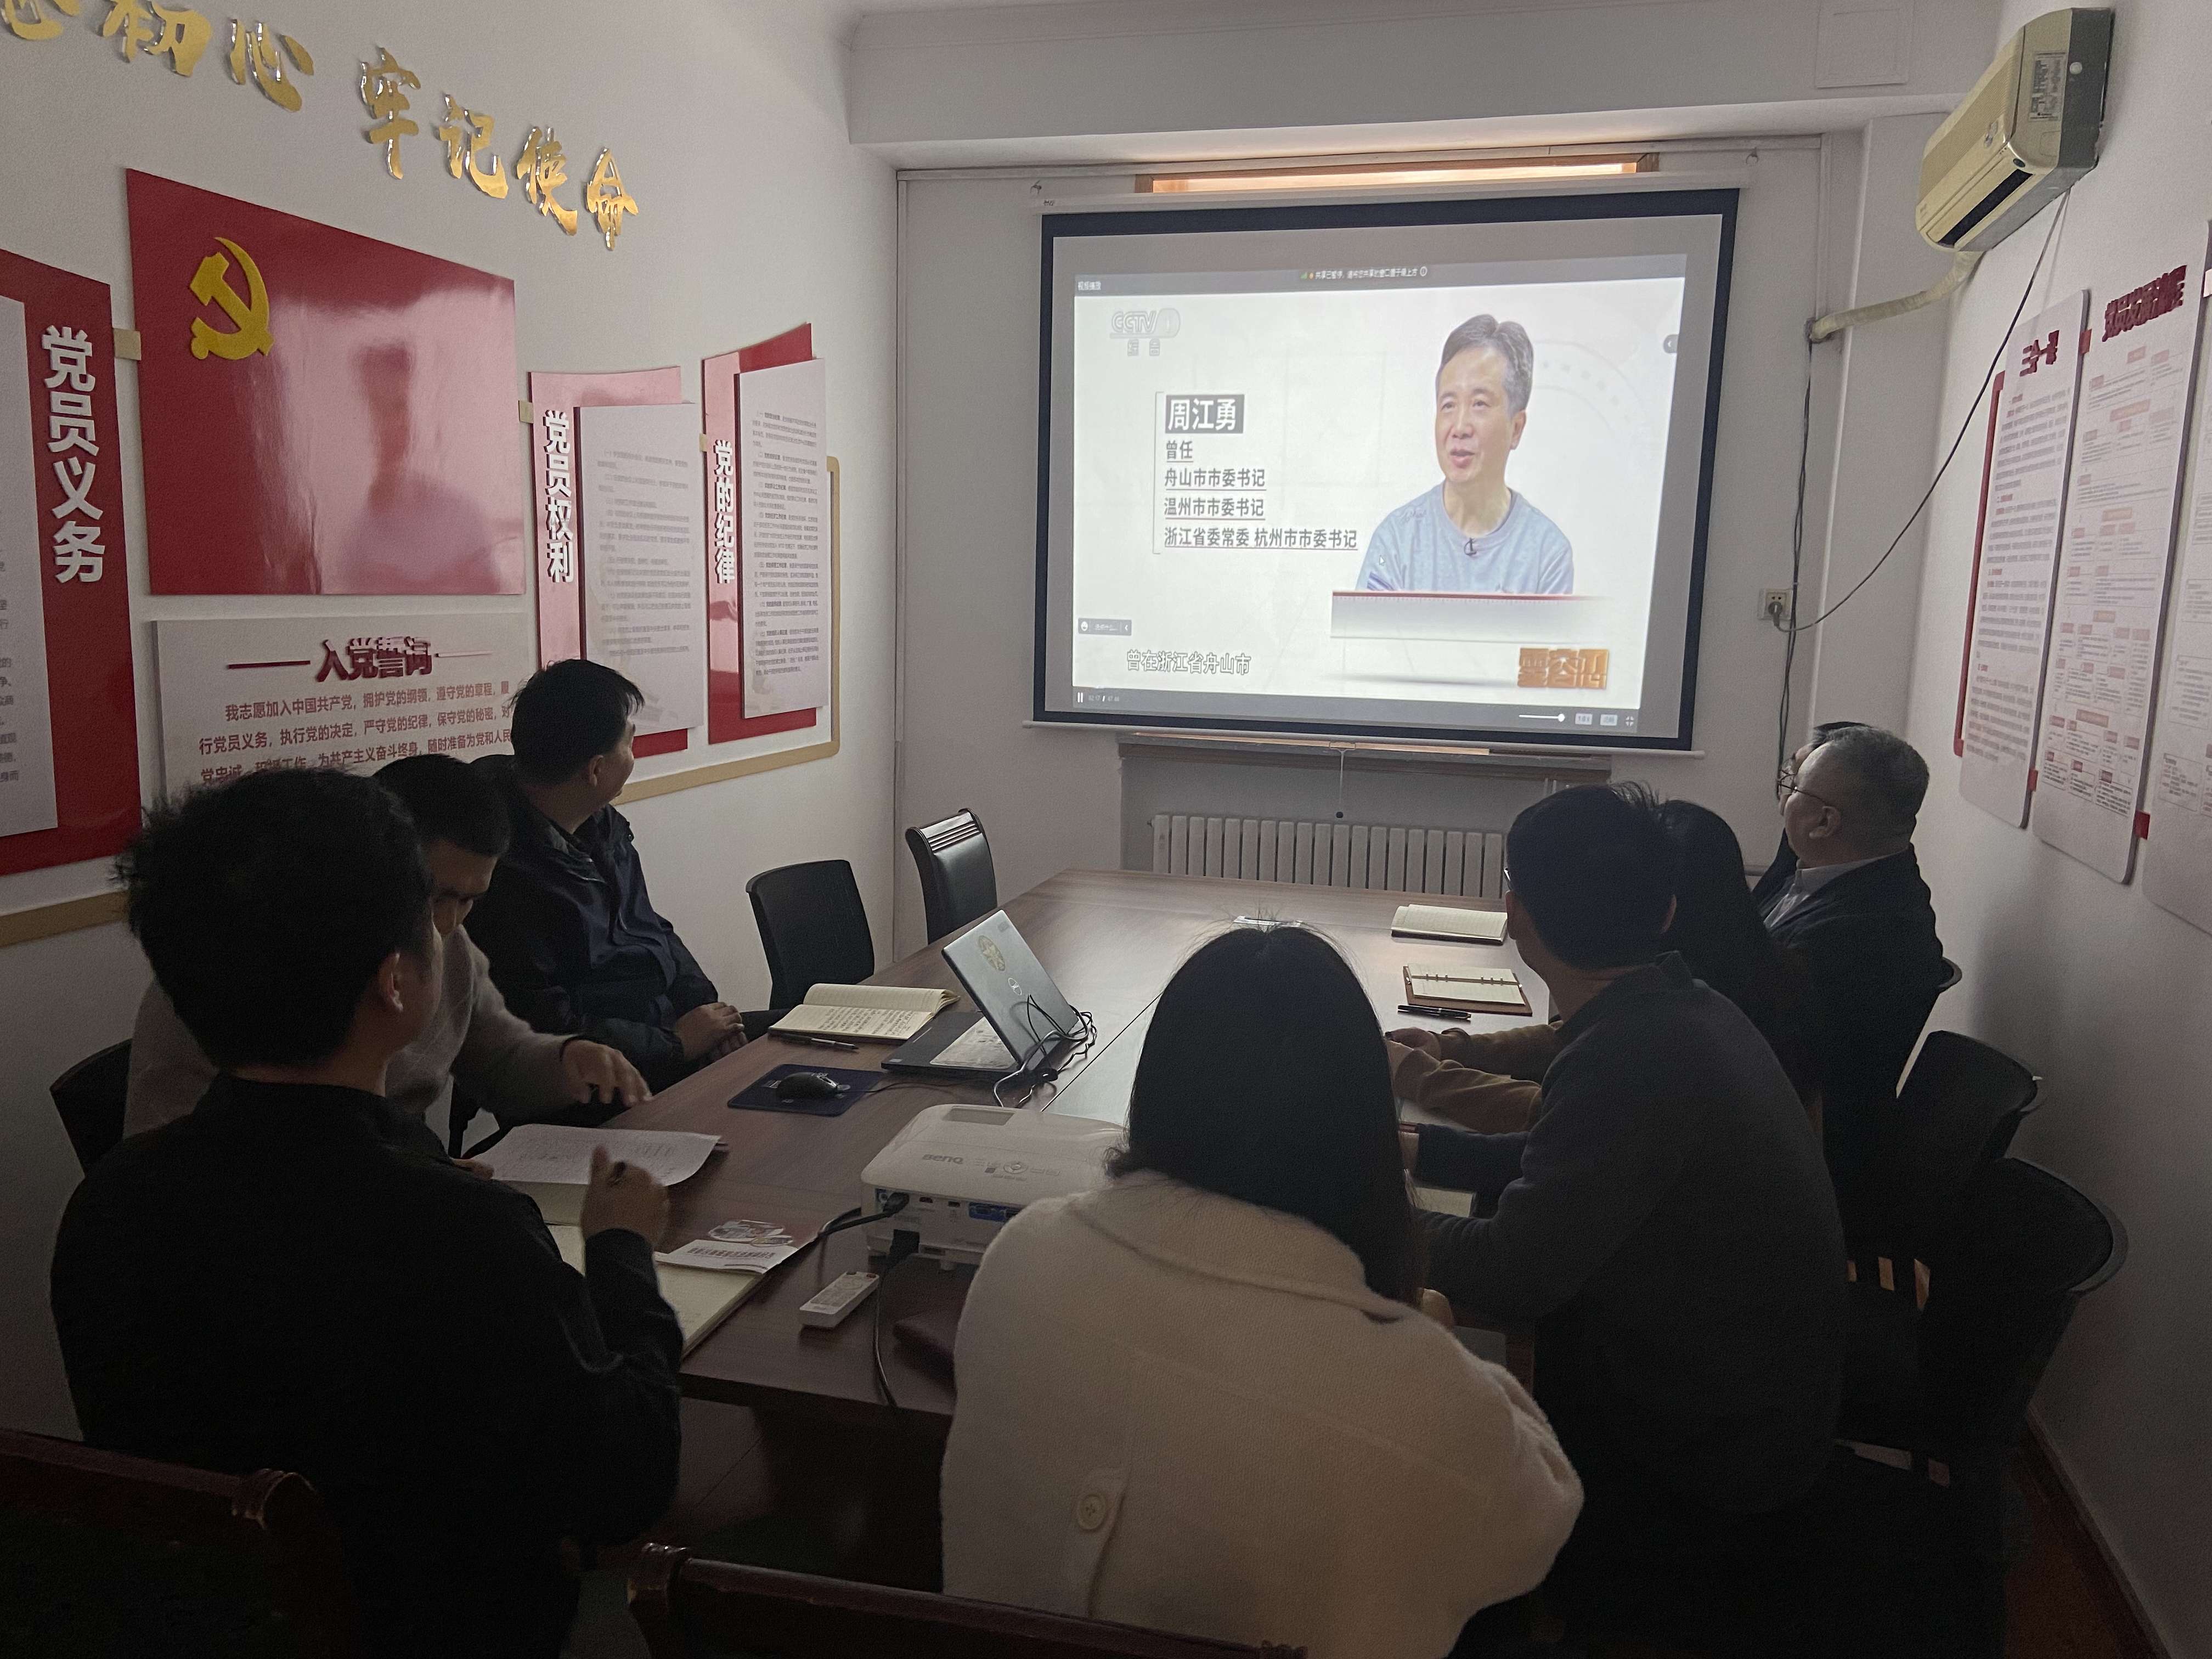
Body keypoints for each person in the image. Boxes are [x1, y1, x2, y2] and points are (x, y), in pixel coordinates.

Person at [51, 769, 681, 1659]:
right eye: (434, 912)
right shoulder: (461, 1233)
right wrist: (621, 1250)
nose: (449, 931)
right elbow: (626, 1481)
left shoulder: (106, 1208)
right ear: (395, 979)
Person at [943, 924, 1581, 1659]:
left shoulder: (1020, 1255)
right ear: (1363, 1127)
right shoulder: (1414, 1393)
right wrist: (1431, 1334)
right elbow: (1540, 1516)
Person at [1403, 785, 1844, 1629]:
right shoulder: (1683, 1006)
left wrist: (1351, 1206)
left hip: (1703, 1461)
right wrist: (1415, 1148)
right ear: (1668, 910)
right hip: (1754, 1405)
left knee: (1413, 1436)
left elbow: (1512, 1273)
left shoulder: (1632, 1056)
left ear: (1514, 914)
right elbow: (1571, 1159)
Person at [123, 753, 650, 1142]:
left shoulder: (451, 948)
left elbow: (500, 1057)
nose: (446, 923)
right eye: (435, 896)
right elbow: (179, 1161)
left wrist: (567, 1058)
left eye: (469, 901)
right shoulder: (239, 968)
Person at [1389, 798, 1819, 1132]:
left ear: (1513, 911)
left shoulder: (1645, 1050)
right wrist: (1451, 1050)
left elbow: (1549, 1119)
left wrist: (1419, 1074)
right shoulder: (1694, 994)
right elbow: (1571, 1038)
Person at [467, 659, 751, 1091]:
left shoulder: (601, 825)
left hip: (666, 1038)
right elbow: (548, 1023)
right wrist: (675, 1045)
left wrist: (707, 1014)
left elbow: (652, 929)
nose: (635, 756)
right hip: (606, 1077)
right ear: (596, 770)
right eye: (630, 744)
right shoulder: (501, 872)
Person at [1764, 724, 1948, 1220]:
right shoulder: (1846, 869)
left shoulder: (1858, 934)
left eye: (1794, 787)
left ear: (1825, 822)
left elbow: (1763, 1047)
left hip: (1799, 1155)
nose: (1784, 801)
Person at [1357, 314, 1573, 595]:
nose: (1459, 428)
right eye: (1448, 405)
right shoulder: (1397, 539)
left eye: (1479, 404)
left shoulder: (1547, 553)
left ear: (1516, 428)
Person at [1752, 719, 1867, 910]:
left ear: (1825, 820)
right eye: (1790, 771)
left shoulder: (1853, 906)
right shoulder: (1795, 848)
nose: (1786, 794)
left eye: (1798, 784)